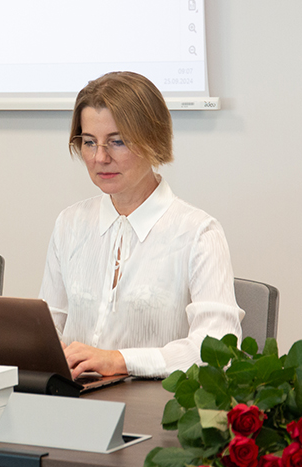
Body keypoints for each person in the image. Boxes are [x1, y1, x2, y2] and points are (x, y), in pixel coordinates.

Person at [39, 71, 243, 379]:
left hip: (154, 400)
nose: (100, 157)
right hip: (75, 396)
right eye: (90, 142)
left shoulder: (198, 233)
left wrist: (120, 360)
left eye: (117, 141)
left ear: (153, 140)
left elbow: (218, 348)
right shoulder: (70, 224)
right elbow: (48, 327)